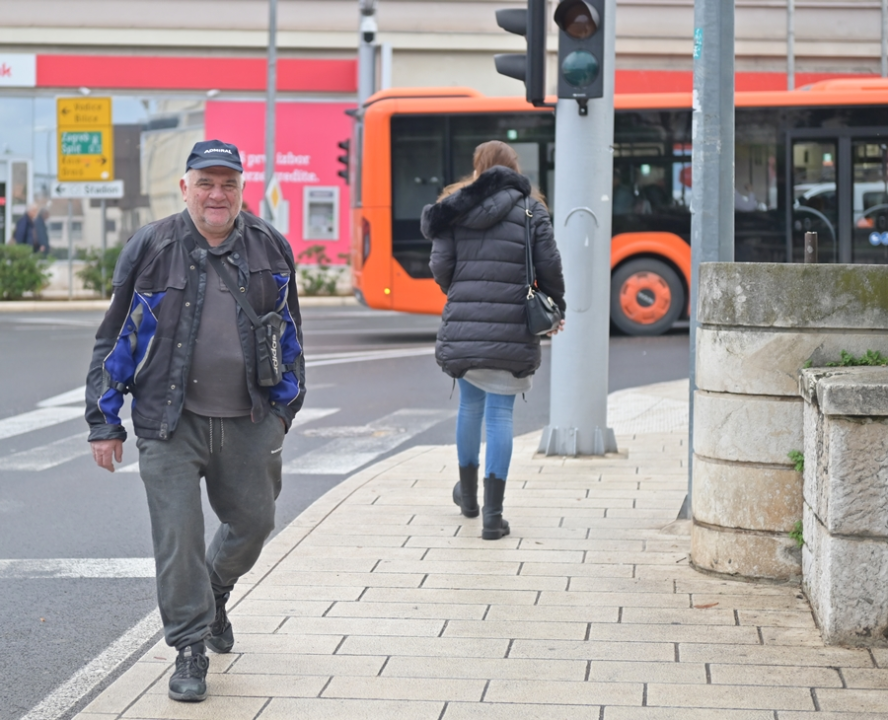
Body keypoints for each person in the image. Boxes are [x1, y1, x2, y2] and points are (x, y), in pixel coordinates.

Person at [84, 140, 305, 703]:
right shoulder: (152, 246)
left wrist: (284, 410)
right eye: (206, 182)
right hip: (168, 421)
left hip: (250, 417)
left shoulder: (269, 248)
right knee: (179, 538)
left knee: (254, 525)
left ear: (240, 190)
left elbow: (291, 336)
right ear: (185, 187)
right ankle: (189, 647)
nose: (217, 194)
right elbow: (116, 337)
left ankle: (216, 589)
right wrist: (104, 421)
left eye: (228, 183)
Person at [420, 140, 565, 540]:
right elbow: (549, 263)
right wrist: (558, 307)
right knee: (500, 415)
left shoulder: (454, 207)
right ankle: (492, 517)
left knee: (469, 407)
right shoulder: (531, 208)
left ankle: (468, 500)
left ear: (477, 168)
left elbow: (440, 266)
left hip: (465, 323)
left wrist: (464, 291)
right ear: (514, 167)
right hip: (513, 325)